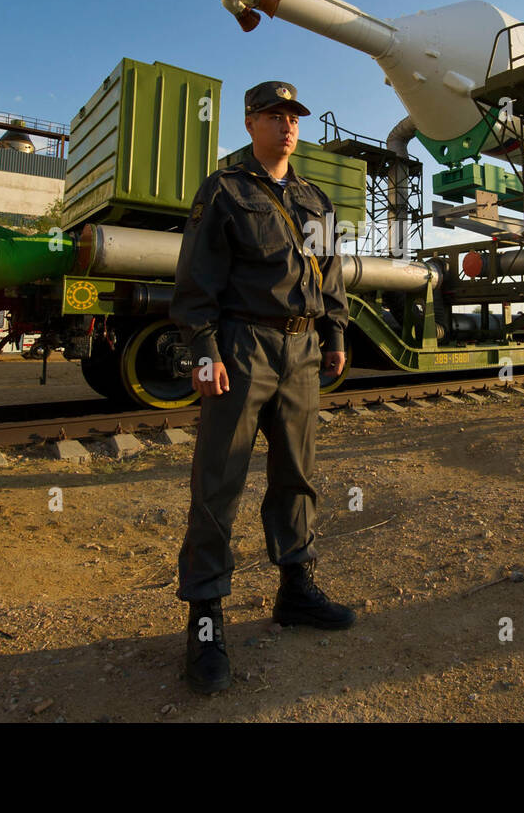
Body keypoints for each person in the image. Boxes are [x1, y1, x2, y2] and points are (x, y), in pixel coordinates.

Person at [170, 80, 354, 695]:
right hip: (242, 347)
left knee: (297, 472)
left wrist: (334, 334)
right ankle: (204, 618)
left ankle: (295, 588)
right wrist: (204, 350)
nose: (287, 126)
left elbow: (330, 275)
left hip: (302, 349)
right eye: (274, 116)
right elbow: (197, 278)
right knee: (218, 480)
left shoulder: (315, 198)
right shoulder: (223, 191)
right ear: (249, 123)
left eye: (293, 117)